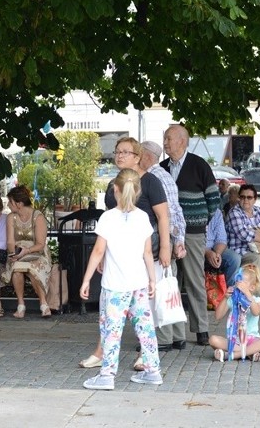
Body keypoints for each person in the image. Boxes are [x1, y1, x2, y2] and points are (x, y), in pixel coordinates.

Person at [80, 138, 171, 369]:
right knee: (111, 307)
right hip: (117, 254)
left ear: (138, 157)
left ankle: (144, 353)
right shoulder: (114, 184)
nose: (119, 156)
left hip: (144, 250)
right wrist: (105, 254)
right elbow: (112, 221)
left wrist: (166, 246)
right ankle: (102, 351)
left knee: (143, 308)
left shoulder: (151, 182)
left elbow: (163, 216)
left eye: (125, 152)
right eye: (117, 152)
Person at [160, 124, 221, 346]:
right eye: (165, 139)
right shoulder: (162, 168)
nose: (165, 143)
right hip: (169, 233)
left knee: (195, 280)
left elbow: (214, 199)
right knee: (170, 280)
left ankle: (201, 329)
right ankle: (175, 333)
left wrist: (200, 220)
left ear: (182, 141)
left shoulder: (198, 165)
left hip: (193, 233)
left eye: (169, 139)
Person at [140, 140, 186, 350]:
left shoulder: (152, 178)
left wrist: (170, 244)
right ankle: (178, 335)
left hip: (160, 242)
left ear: (146, 156)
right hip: (168, 240)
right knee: (169, 288)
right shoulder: (165, 176)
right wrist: (179, 240)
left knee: (159, 288)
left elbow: (166, 215)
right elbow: (177, 212)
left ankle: (163, 337)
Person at [4, 185, 53, 319]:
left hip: (36, 252)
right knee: (17, 268)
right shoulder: (11, 217)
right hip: (17, 252)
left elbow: (40, 244)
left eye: (10, 202)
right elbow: (10, 241)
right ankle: (21, 305)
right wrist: (12, 254)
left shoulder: (38, 217)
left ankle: (44, 304)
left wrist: (26, 251)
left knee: (33, 268)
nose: (8, 205)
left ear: (19, 204)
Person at [210, 266, 260, 362]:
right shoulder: (232, 299)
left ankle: (231, 355)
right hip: (235, 341)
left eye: (243, 282)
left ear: (252, 287)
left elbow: (256, 312)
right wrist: (225, 298)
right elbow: (218, 316)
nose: (239, 284)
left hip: (252, 340)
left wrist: (247, 293)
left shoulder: (256, 300)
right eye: (238, 281)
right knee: (213, 340)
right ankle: (251, 353)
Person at [205, 208, 240, 286]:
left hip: (214, 248)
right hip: (197, 249)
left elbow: (221, 239)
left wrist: (217, 254)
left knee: (234, 258)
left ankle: (228, 292)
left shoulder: (216, 212)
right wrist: (207, 252)